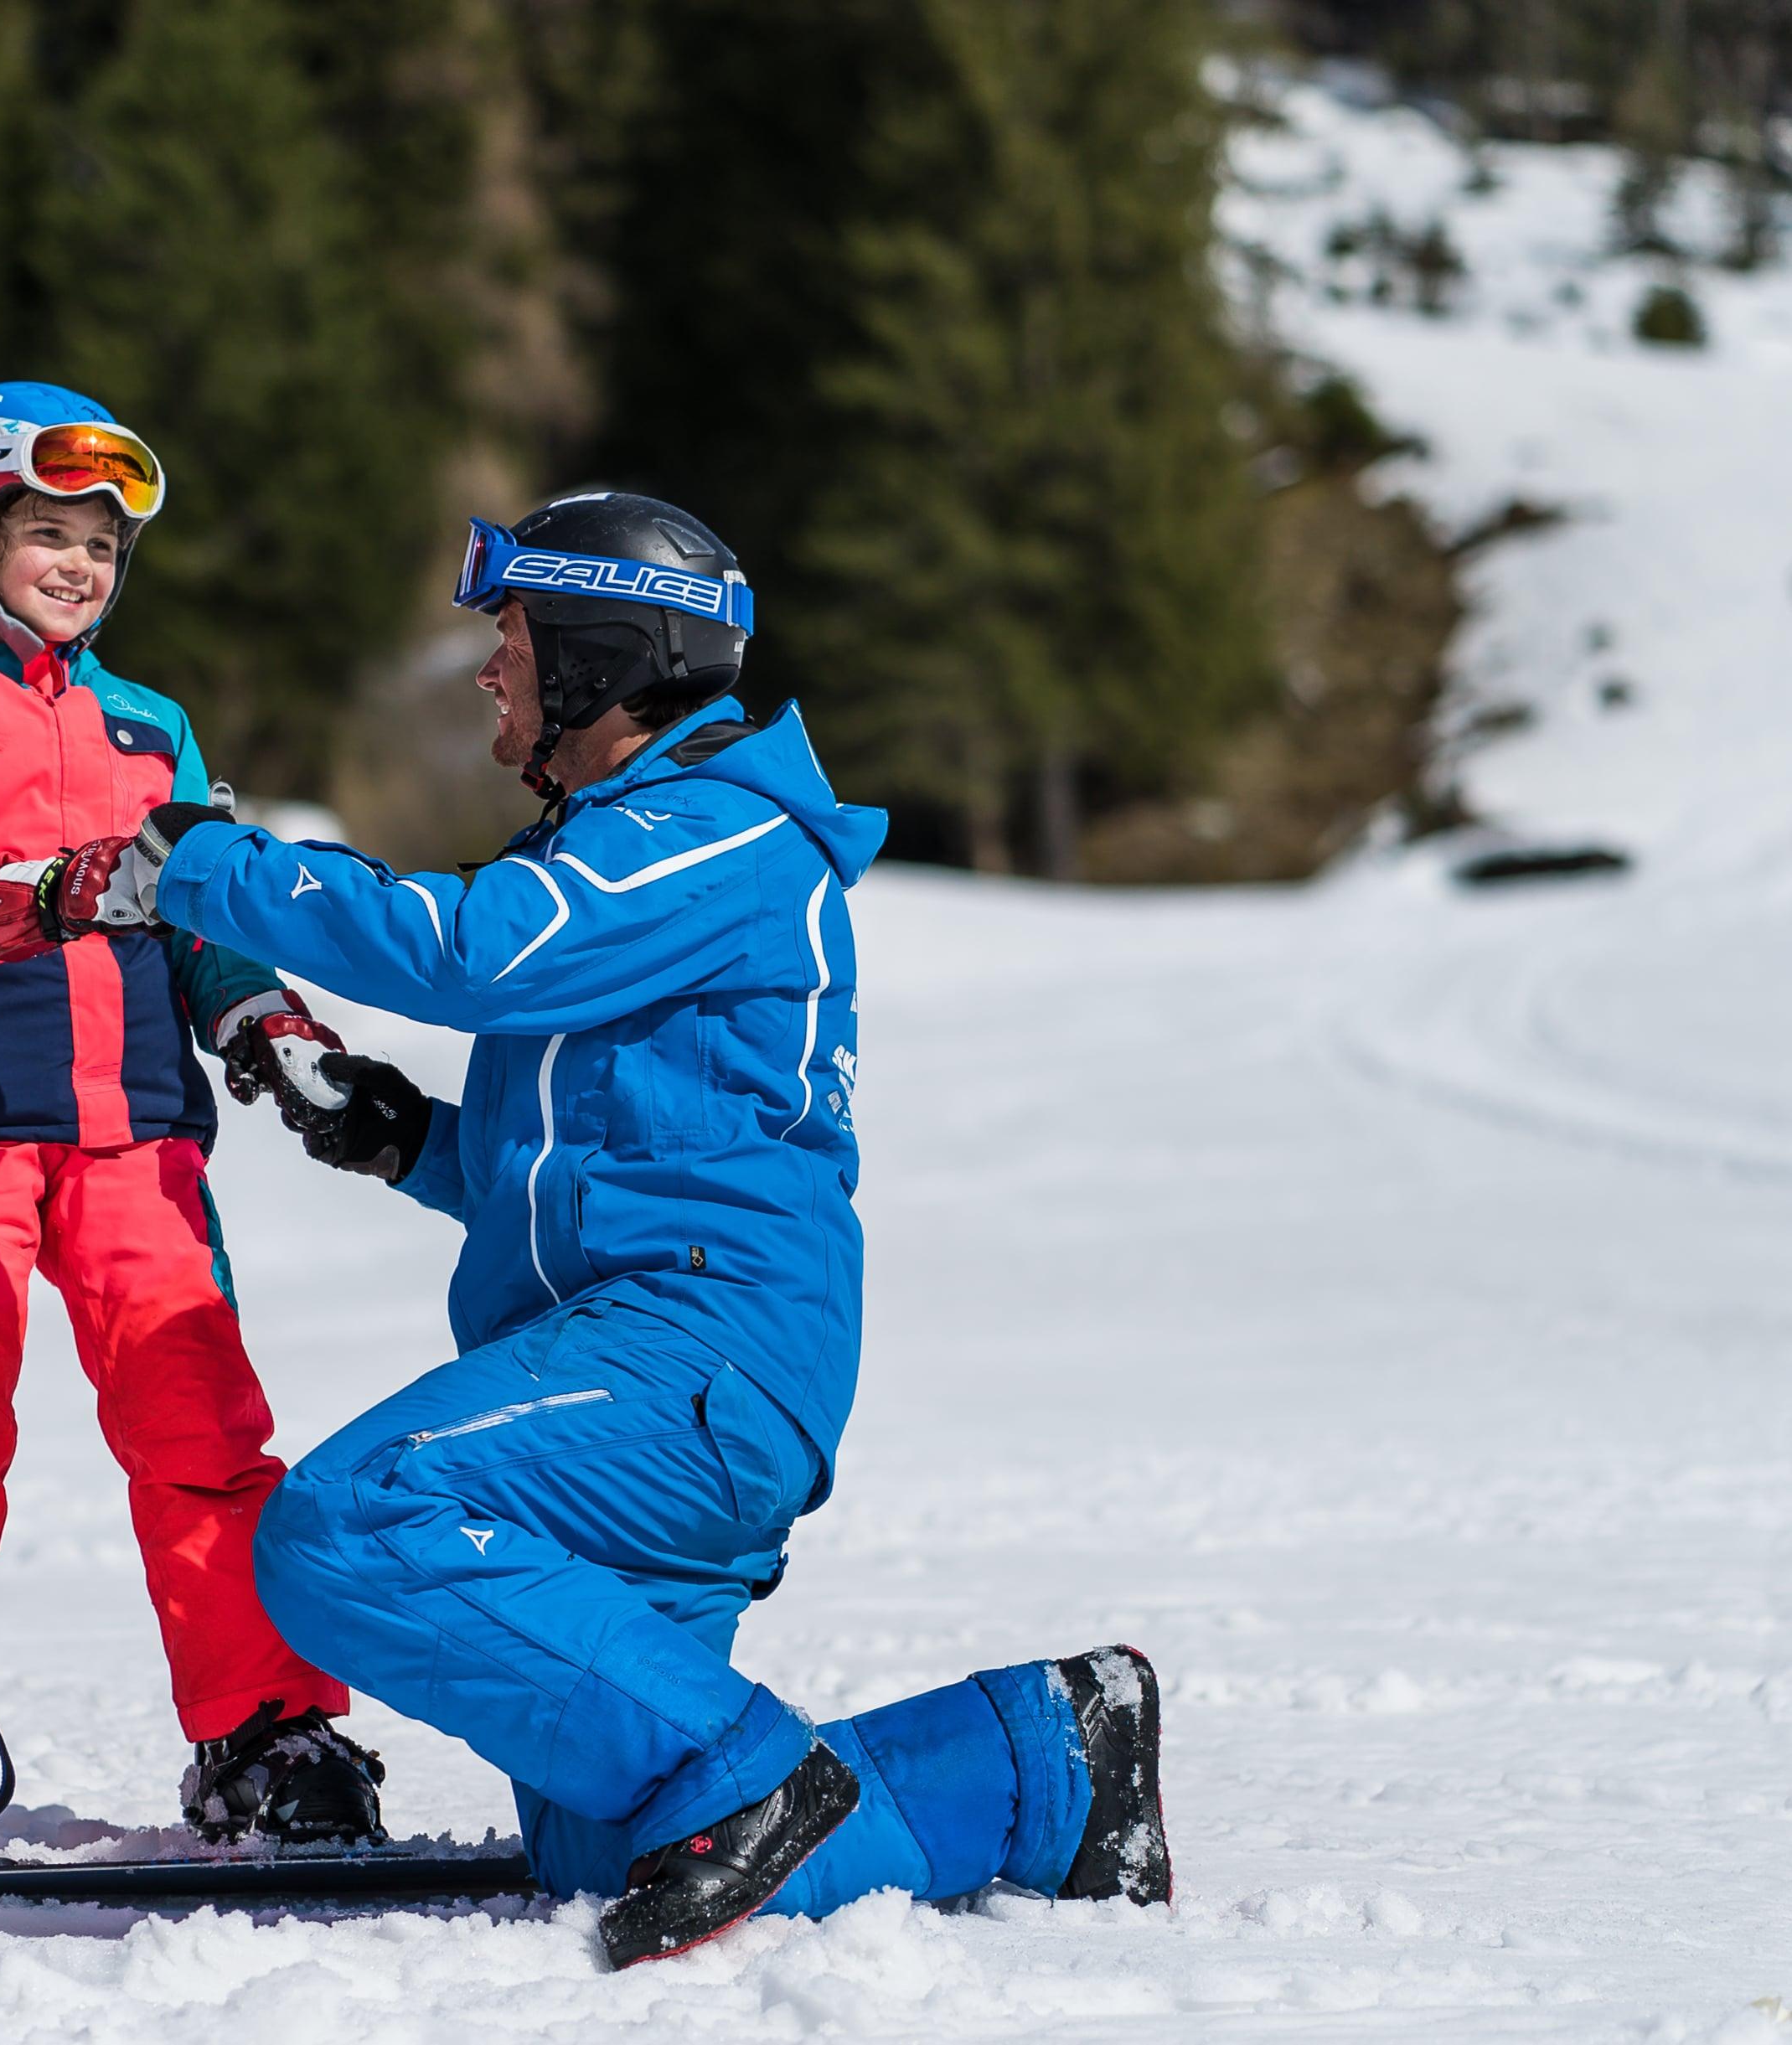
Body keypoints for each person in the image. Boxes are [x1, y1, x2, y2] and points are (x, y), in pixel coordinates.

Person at [64, 492, 1172, 1967]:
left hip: (692, 1358)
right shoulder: (635, 847)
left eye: (511, 638)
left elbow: (479, 951)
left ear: (602, 649)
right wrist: (410, 1139)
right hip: (644, 1364)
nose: (489, 673)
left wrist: (201, 857)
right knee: (610, 1843)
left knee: (348, 1521)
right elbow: (605, 1164)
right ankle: (1047, 1760)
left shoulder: (711, 832)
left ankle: (758, 1773)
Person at [0, 381, 385, 1865]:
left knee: (204, 1425)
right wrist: (55, 891)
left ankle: (269, 1728)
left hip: (140, 1138)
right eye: (48, 533)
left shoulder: (150, 722)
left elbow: (205, 908)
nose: (81, 566)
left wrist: (266, 1020)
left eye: (103, 546)